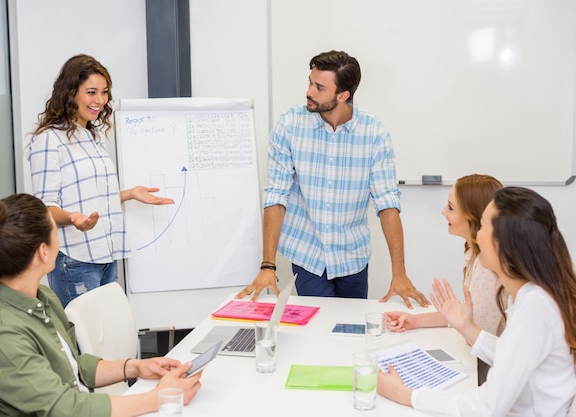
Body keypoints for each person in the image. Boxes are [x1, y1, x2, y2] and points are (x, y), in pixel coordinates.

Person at [0, 193, 201, 416]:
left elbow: (71, 364)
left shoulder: (38, 296)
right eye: (56, 232)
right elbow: (67, 409)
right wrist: (160, 397)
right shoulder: (3, 337)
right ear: (43, 252)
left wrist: (135, 368)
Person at [236, 50, 428, 307]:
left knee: (351, 331)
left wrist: (399, 272)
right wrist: (268, 265)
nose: (309, 92)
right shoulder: (290, 125)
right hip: (308, 255)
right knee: (316, 330)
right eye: (310, 82)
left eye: (319, 87)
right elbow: (276, 195)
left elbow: (387, 203)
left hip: (353, 257)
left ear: (343, 95)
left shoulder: (374, 134)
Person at [377, 187, 576, 416]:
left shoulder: (535, 308)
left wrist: (405, 394)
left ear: (503, 245)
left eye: (481, 226)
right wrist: (467, 327)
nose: (476, 235)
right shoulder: (534, 296)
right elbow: (512, 355)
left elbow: (487, 407)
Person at [26, 54, 174, 307]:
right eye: (91, 92)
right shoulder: (49, 140)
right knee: (84, 341)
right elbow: (45, 208)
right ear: (70, 92)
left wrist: (129, 193)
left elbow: (89, 196)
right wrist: (73, 218)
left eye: (104, 92)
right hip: (75, 259)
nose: (100, 100)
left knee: (106, 337)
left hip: (106, 253)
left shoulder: (93, 137)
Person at [385, 174, 505, 384]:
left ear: (473, 216)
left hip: (492, 371)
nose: (442, 212)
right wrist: (416, 321)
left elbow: (475, 331)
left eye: (450, 207)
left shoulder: (488, 268)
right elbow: (464, 317)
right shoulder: (473, 253)